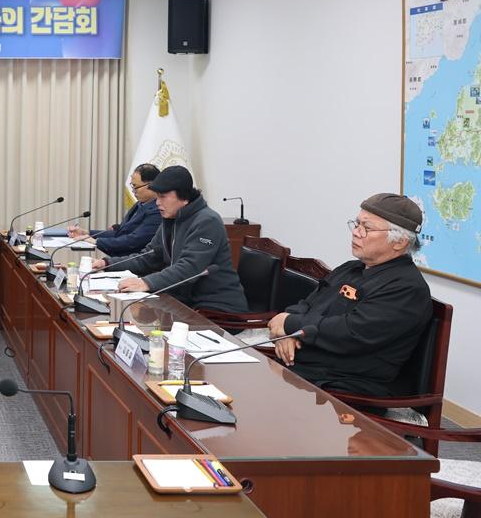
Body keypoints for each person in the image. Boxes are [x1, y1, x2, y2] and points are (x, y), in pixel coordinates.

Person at [268, 193, 432, 397]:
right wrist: (287, 333)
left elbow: (351, 333)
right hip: (302, 371)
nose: (356, 232)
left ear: (399, 242)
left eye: (367, 228)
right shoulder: (350, 269)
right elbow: (308, 304)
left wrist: (291, 324)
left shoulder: (406, 288)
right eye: (356, 224)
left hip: (342, 388)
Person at [94, 165, 247, 312]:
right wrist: (107, 263)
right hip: (183, 300)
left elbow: (189, 268)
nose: (157, 202)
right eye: (156, 197)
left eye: (162, 197)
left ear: (184, 197)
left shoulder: (207, 221)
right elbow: (149, 256)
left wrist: (146, 282)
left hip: (216, 306)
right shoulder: (170, 219)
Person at [68, 163, 162, 255]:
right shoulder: (140, 204)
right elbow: (119, 234)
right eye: (132, 185)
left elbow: (133, 241)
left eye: (136, 187)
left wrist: (96, 242)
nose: (133, 190)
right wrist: (86, 233)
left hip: (136, 264)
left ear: (151, 185)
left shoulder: (158, 210)